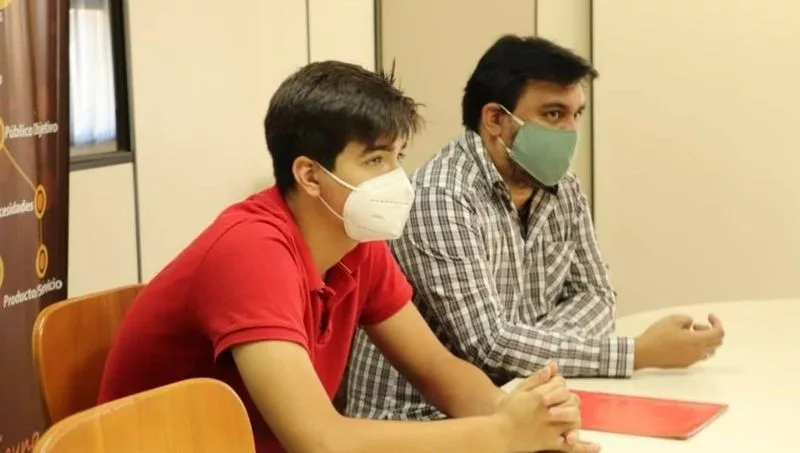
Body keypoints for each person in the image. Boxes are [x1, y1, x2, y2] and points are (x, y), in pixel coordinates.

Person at [97, 60, 598, 453]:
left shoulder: (356, 244)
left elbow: (437, 370)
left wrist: (521, 417)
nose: (396, 179)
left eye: (398, 157)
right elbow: (320, 441)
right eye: (374, 160)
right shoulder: (251, 253)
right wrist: (501, 435)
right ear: (310, 175)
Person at [345, 35, 726, 421]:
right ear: (495, 119)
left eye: (577, 114)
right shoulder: (441, 195)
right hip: (420, 419)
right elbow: (489, 344)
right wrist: (637, 353)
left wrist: (526, 346)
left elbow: (597, 296)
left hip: (515, 401)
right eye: (554, 114)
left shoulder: (562, 186)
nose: (570, 131)